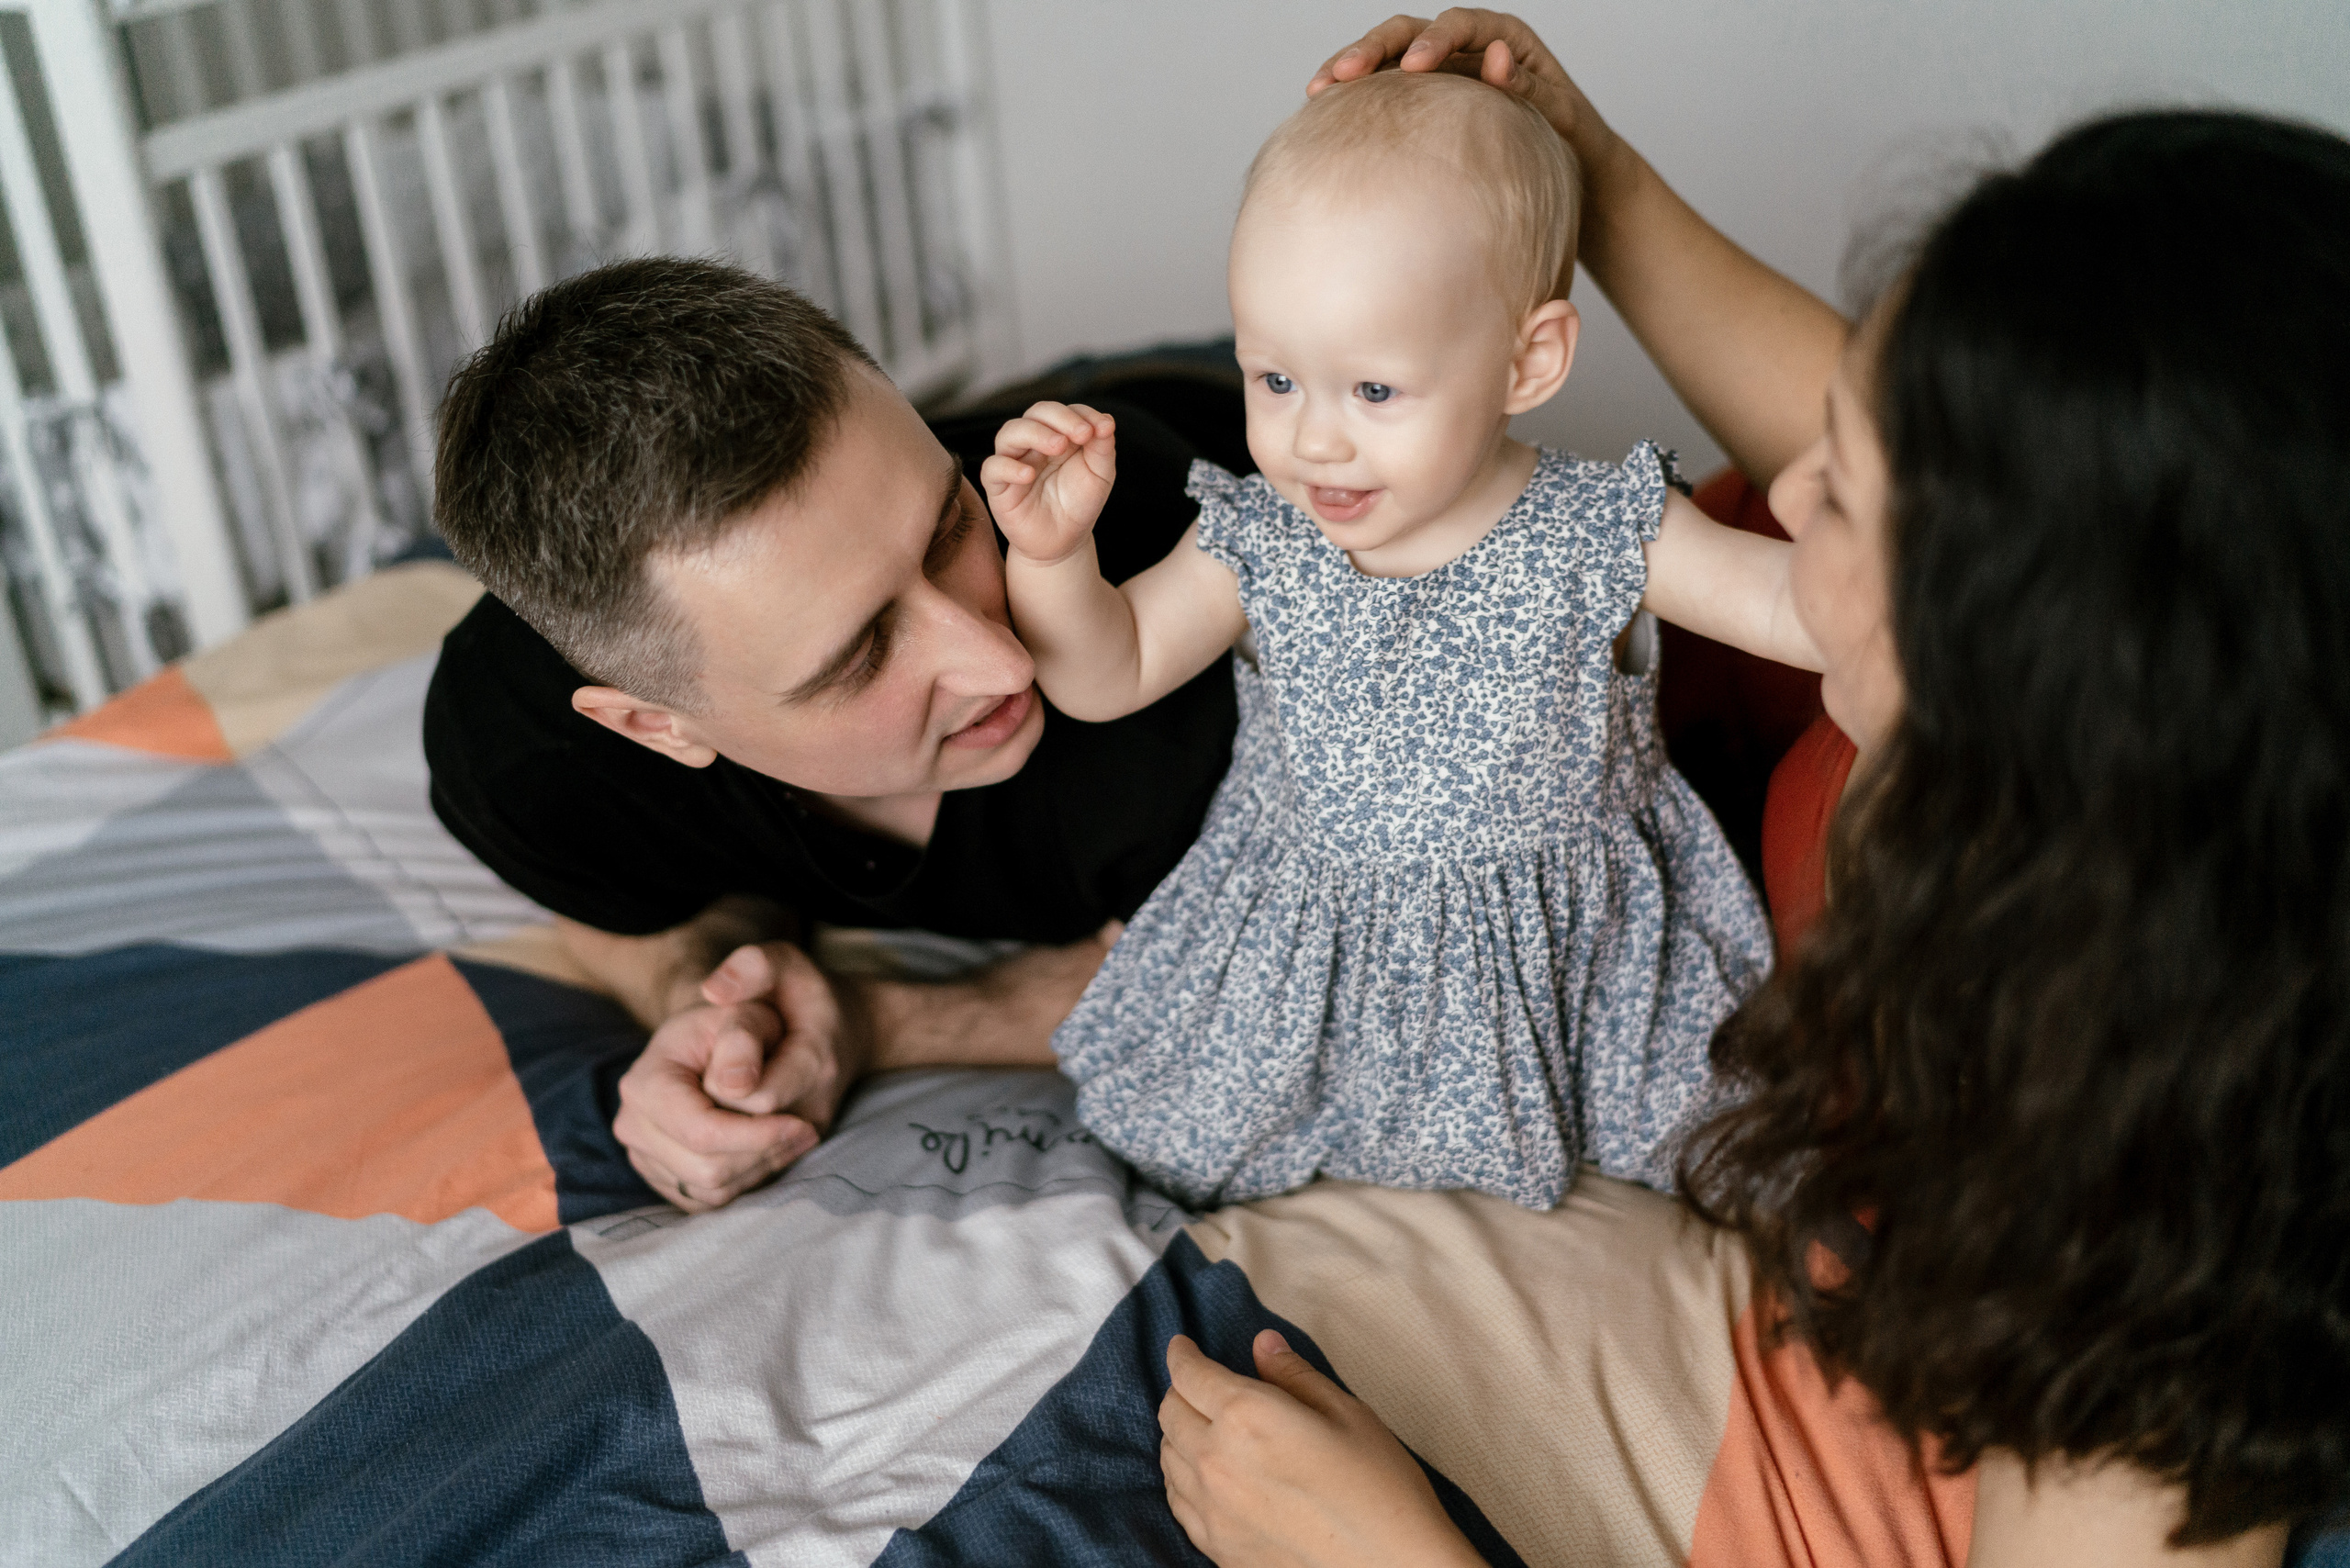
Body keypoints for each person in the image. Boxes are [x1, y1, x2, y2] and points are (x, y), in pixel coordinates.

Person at [1152, 13, 2350, 1568]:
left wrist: (1391, 1554)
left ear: (2036, 635)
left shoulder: (2146, 1196)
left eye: (1844, 490)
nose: (1783, 487)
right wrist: (1582, 161)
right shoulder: (2106, 713)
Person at [981, 69, 1819, 1212]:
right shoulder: (1261, 536)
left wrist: (1849, 517)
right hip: (1310, 970)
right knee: (1174, 1132)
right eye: (1276, 379)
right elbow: (1105, 672)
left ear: (1528, 362)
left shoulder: (1605, 528)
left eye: (1373, 390)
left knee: (1744, 1146)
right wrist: (1052, 559)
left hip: (1576, 977)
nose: (1314, 440)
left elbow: (1797, 613)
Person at [424, 259, 1239, 1211]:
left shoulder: (1175, 614)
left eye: (949, 529)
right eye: (861, 655)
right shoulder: (521, 748)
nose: (1006, 665)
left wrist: (875, 1022)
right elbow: (614, 899)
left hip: (1199, 424)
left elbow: (1232, 971)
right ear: (654, 727)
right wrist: (711, 1001)